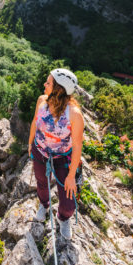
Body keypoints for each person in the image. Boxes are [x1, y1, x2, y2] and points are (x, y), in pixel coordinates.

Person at [28, 68, 85, 240]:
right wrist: (30, 144)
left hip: (62, 158)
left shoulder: (74, 115)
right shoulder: (41, 101)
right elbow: (34, 123)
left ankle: (63, 217)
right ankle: (44, 205)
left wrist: (71, 175)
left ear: (58, 89)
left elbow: (77, 146)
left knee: (68, 203)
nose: (44, 85)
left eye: (48, 83)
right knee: (41, 183)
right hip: (41, 151)